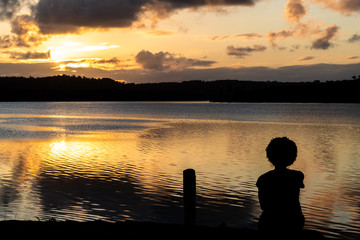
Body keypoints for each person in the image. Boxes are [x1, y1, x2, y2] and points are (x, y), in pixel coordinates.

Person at [256, 137, 305, 235]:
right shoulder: (298, 176)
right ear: (293, 158)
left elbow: (263, 205)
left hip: (269, 222)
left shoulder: (263, 179)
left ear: (269, 156)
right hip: (293, 221)